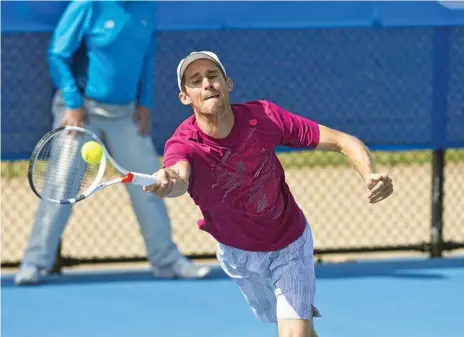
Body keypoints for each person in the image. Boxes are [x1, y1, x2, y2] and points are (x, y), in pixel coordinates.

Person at [143, 51, 394, 337]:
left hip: (289, 244)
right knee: (298, 327)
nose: (207, 84)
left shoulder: (263, 117)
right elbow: (178, 177)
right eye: (195, 81)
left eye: (213, 76)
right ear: (185, 97)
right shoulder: (183, 143)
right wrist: (167, 181)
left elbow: (341, 141)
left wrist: (369, 174)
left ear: (228, 84)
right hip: (238, 256)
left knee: (293, 333)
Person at [15, 1, 210, 285]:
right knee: (61, 189)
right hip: (82, 112)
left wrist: (144, 103)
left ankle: (166, 261)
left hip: (126, 114)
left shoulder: (146, 8)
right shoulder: (88, 5)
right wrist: (72, 101)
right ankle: (34, 263)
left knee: (153, 185)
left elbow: (147, 57)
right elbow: (57, 53)